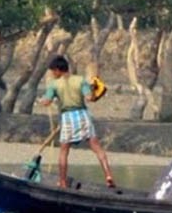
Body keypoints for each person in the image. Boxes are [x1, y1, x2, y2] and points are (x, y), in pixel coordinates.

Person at [39, 56, 115, 189]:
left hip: (68, 117)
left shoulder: (54, 85)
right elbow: (90, 98)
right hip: (83, 116)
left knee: (64, 151)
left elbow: (47, 101)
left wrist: (42, 101)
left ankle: (62, 182)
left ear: (58, 70)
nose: (52, 74)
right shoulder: (80, 80)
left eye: (52, 71)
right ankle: (108, 176)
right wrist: (96, 89)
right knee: (97, 148)